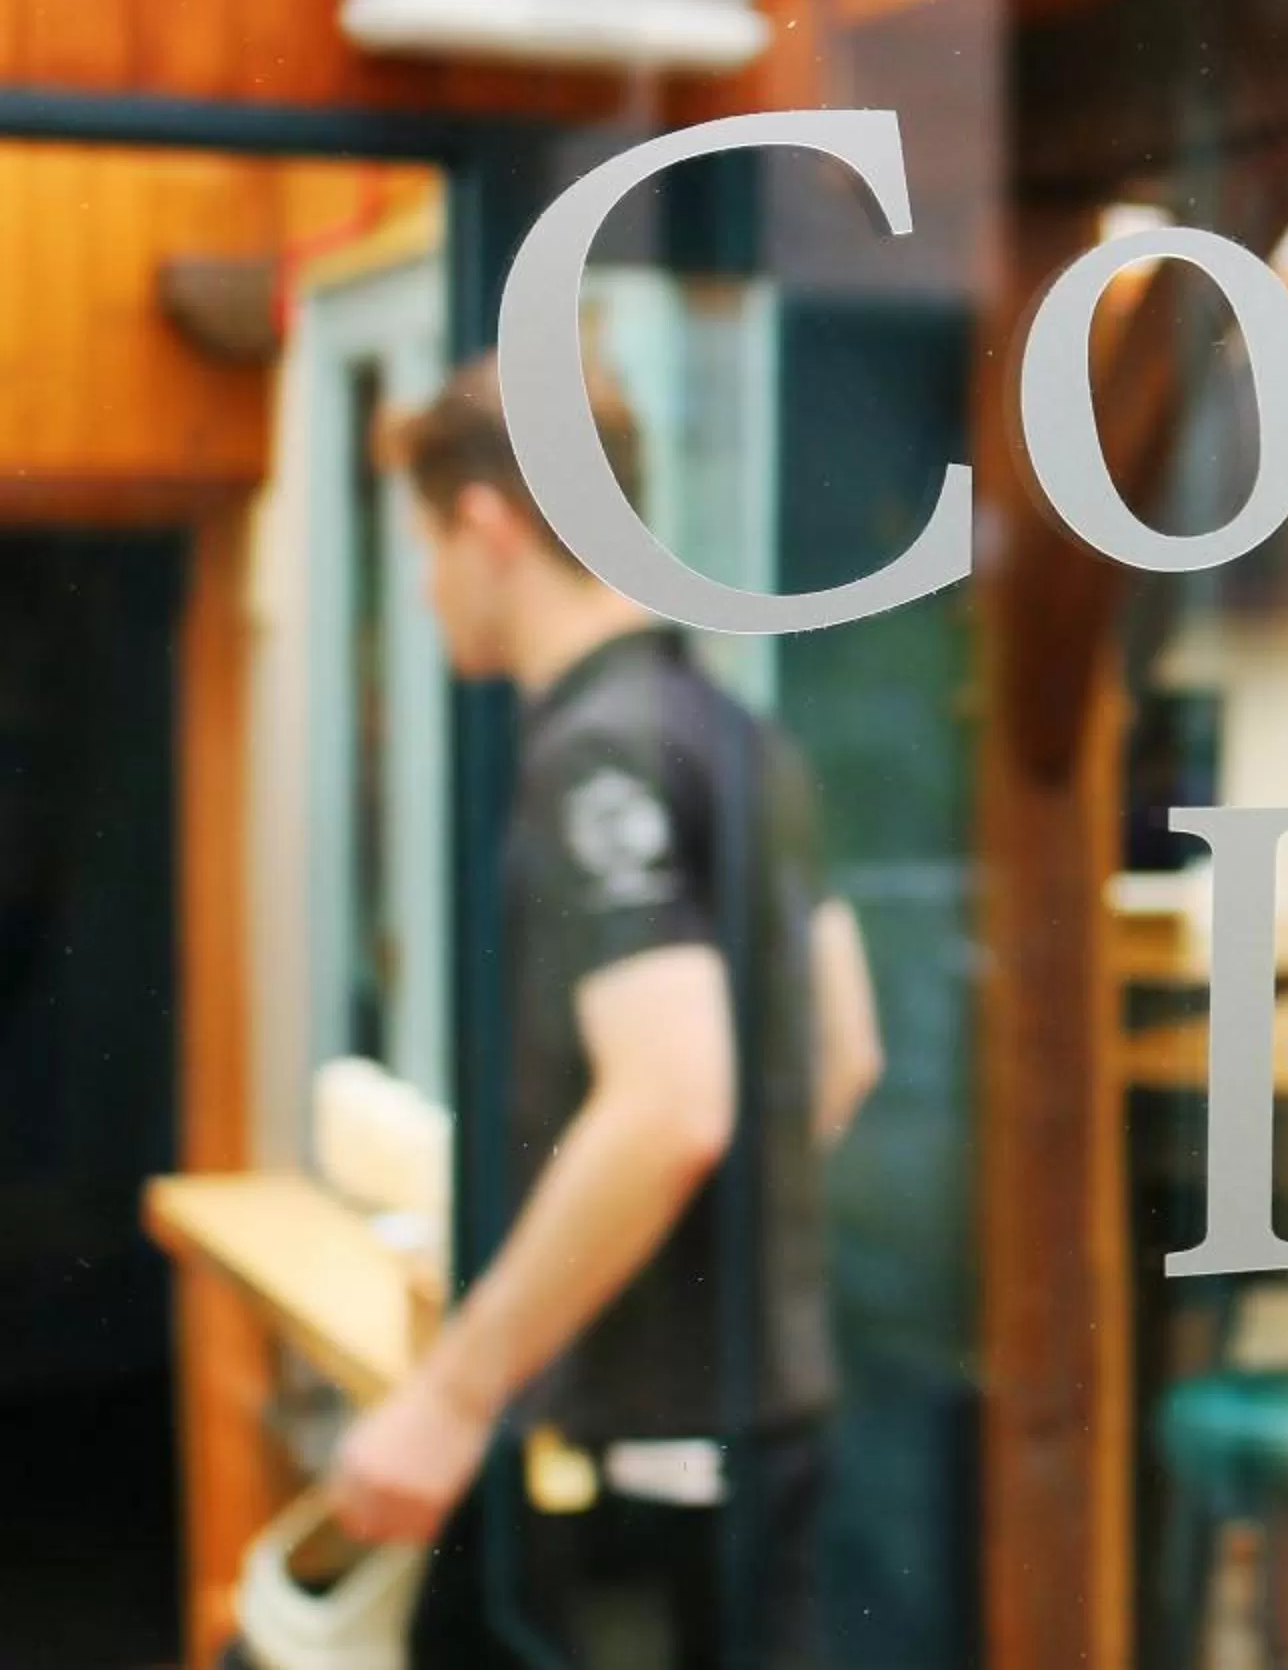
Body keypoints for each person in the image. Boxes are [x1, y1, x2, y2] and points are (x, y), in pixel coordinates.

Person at [328, 354, 883, 1667]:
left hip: (654, 1463)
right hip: (771, 1431)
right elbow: (841, 1055)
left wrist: (454, 1397)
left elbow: (671, 1105)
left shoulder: (597, 757)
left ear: (486, 525)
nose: (423, 590)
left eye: (423, 548)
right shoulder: (740, 735)